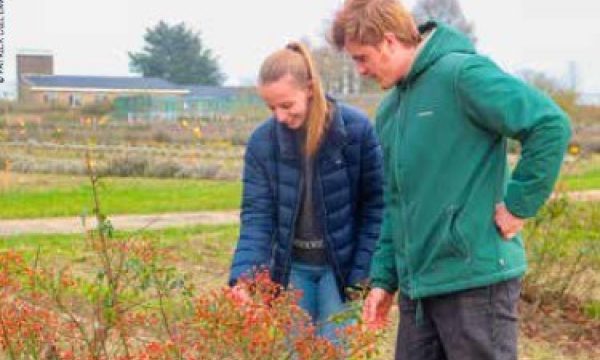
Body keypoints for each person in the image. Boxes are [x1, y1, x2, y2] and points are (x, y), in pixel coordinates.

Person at [330, 0, 572, 359]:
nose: (360, 69)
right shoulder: (389, 112)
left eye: (362, 57)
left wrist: (519, 204)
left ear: (389, 41)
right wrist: (383, 279)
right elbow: (395, 203)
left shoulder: (462, 76)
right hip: (420, 288)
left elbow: (550, 125)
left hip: (475, 282)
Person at [228, 41, 384, 342]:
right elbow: (257, 216)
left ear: (310, 89)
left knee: (332, 349)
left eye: (286, 105)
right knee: (294, 351)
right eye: (271, 107)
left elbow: (377, 206)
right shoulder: (262, 143)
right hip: (292, 269)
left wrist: (363, 275)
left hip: (341, 269)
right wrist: (244, 277)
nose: (279, 117)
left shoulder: (356, 130)